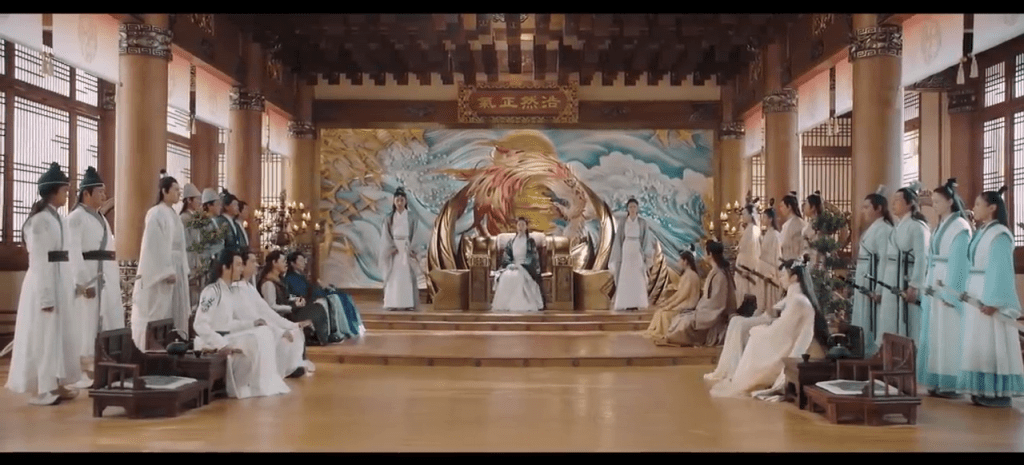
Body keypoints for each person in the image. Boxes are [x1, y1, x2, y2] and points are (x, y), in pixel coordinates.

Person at [5, 162, 83, 406]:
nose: (67, 195)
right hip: (44, 280)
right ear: (53, 192)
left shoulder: (58, 219)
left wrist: (71, 282)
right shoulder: (39, 222)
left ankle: (57, 381)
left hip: (59, 277)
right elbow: (39, 260)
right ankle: (42, 387)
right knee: (45, 335)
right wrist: (46, 296)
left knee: (60, 333)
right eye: (64, 191)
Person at [708, 255, 831, 400]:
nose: (781, 279)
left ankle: (747, 381)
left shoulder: (798, 300)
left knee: (755, 342)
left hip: (796, 346)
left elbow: (782, 332)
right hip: (787, 337)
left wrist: (761, 332)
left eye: (783, 275)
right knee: (746, 330)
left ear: (794, 278)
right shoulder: (795, 296)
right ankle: (736, 374)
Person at [955, 186, 1024, 408]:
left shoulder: (999, 234)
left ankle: (996, 392)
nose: (974, 208)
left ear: (992, 208)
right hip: (977, 290)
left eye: (978, 204)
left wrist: (994, 301)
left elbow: (1001, 269)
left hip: (989, 294)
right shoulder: (983, 232)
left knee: (991, 341)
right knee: (977, 340)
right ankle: (980, 389)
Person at [193, 250, 290, 399]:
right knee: (253, 340)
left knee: (263, 332)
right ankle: (240, 386)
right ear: (226, 267)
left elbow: (229, 324)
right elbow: (200, 324)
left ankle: (258, 383)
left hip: (226, 336)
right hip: (211, 342)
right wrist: (221, 345)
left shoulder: (229, 291)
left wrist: (252, 323)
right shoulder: (211, 291)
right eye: (238, 265)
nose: (241, 268)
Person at [67, 167, 122, 388]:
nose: (104, 196)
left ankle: (107, 362)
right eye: (100, 192)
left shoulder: (100, 217)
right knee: (87, 322)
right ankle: (85, 369)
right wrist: (82, 282)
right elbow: (72, 252)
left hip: (106, 274)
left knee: (109, 317)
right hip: (90, 276)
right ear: (86, 193)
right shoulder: (75, 218)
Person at [918, 178, 972, 399]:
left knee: (949, 332)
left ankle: (951, 382)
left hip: (947, 282)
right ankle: (936, 379)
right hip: (935, 279)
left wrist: (952, 292)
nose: (935, 205)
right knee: (935, 332)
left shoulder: (960, 227)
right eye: (933, 202)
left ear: (950, 202)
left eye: (938, 201)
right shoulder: (941, 225)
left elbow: (960, 263)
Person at [130, 171, 191, 350]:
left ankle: (175, 343)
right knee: (160, 310)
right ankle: (153, 346)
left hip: (176, 265)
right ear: (164, 191)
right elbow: (153, 244)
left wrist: (183, 268)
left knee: (176, 310)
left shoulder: (173, 214)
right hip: (162, 271)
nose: (178, 193)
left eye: (179, 190)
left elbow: (180, 245)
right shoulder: (156, 213)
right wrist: (165, 270)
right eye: (175, 190)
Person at [236, 249, 315, 378]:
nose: (257, 265)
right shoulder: (244, 288)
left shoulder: (249, 288)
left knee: (296, 329)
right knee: (283, 335)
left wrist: (292, 325)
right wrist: (280, 330)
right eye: (253, 262)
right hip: (253, 328)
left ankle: (294, 365)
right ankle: (283, 367)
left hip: (270, 320)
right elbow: (262, 312)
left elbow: (265, 311)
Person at [877, 182, 930, 348]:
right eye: (893, 200)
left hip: (906, 277)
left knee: (909, 321)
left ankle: (910, 354)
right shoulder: (897, 226)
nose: (893, 204)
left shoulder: (917, 227)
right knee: (890, 318)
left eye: (898, 200)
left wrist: (915, 285)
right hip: (892, 276)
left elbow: (922, 257)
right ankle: (890, 352)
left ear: (910, 203)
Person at [661, 240, 737, 347]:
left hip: (712, 315)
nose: (704, 254)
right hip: (704, 310)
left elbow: (717, 303)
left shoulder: (719, 275)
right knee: (679, 319)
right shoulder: (715, 272)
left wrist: (700, 311)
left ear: (710, 254)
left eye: (705, 252)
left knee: (683, 323)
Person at [851, 187, 894, 357]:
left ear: (879, 209)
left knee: (871, 317)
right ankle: (863, 351)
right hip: (864, 276)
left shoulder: (884, 229)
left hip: (873, 278)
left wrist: (879, 288)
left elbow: (884, 259)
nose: (863, 211)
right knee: (862, 315)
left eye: (867, 207)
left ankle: (872, 353)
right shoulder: (874, 228)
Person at [284, 250, 364, 341]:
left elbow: (309, 288)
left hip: (311, 297)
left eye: (304, 261)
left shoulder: (301, 276)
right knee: (332, 299)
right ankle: (333, 331)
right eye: (301, 261)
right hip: (304, 303)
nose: (304, 264)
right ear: (292, 263)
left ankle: (349, 327)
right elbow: (301, 293)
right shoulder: (290, 278)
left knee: (343, 296)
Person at [258, 249, 332, 346]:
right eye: (283, 261)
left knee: (317, 307)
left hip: (289, 312)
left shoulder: (279, 279)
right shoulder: (268, 283)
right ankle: (319, 338)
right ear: (274, 263)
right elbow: (271, 307)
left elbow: (284, 298)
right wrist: (291, 307)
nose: (286, 264)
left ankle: (320, 337)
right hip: (283, 317)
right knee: (317, 309)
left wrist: (296, 301)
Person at [643, 247, 701, 342]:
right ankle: (656, 331)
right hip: (683, 302)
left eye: (680, 260)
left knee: (664, 314)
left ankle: (667, 334)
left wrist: (670, 306)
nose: (678, 262)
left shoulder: (690, 275)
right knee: (659, 311)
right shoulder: (686, 274)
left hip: (688, 305)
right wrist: (667, 302)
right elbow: (678, 294)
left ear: (685, 261)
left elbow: (683, 296)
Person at [609, 197, 655, 311]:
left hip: (637, 249)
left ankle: (638, 302)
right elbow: (618, 239)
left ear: (637, 208)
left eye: (634, 207)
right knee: (626, 275)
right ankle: (625, 303)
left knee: (638, 275)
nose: (632, 209)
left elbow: (646, 239)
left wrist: (647, 255)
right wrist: (617, 255)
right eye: (630, 207)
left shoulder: (642, 222)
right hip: (626, 249)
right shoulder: (623, 222)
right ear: (627, 209)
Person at [491, 217, 545, 312]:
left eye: (523, 225)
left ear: (526, 227)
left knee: (518, 277)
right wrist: (509, 264)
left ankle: (520, 304)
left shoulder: (530, 242)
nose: (520, 227)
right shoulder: (511, 241)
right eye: (519, 225)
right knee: (505, 276)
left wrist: (522, 265)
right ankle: (505, 304)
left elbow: (532, 257)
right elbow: (506, 256)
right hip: (512, 266)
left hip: (525, 267)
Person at [379, 186, 420, 311]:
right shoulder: (389, 218)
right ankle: (392, 303)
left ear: (406, 201)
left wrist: (412, 248)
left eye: (402, 200)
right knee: (393, 276)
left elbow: (416, 233)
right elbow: (386, 235)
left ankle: (408, 303)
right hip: (394, 248)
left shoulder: (412, 217)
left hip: (406, 247)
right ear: (394, 201)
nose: (400, 202)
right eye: (397, 200)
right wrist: (391, 247)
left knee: (406, 276)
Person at [757, 200, 783, 313]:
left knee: (770, 299)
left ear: (770, 219)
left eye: (764, 217)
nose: (762, 220)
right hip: (764, 269)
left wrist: (774, 273)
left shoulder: (775, 235)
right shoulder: (767, 233)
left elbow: (777, 255)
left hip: (771, 270)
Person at [734, 199, 762, 304]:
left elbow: (753, 250)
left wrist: (747, 268)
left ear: (751, 215)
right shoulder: (749, 229)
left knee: (746, 290)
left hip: (747, 264)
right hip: (743, 263)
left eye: (745, 214)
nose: (743, 216)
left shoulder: (752, 230)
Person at [778, 192, 807, 262]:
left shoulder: (798, 223)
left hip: (795, 261)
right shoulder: (786, 224)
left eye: (782, 206)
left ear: (789, 207)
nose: (780, 209)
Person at [219, 189, 246, 254]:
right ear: (226, 207)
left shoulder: (234, 223)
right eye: (234, 204)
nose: (237, 207)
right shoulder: (222, 221)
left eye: (237, 205)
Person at [802, 192, 824, 268]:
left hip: (816, 262)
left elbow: (818, 247)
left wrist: (817, 262)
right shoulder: (812, 223)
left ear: (813, 207)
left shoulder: (818, 225)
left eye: (806, 204)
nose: (804, 207)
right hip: (811, 261)